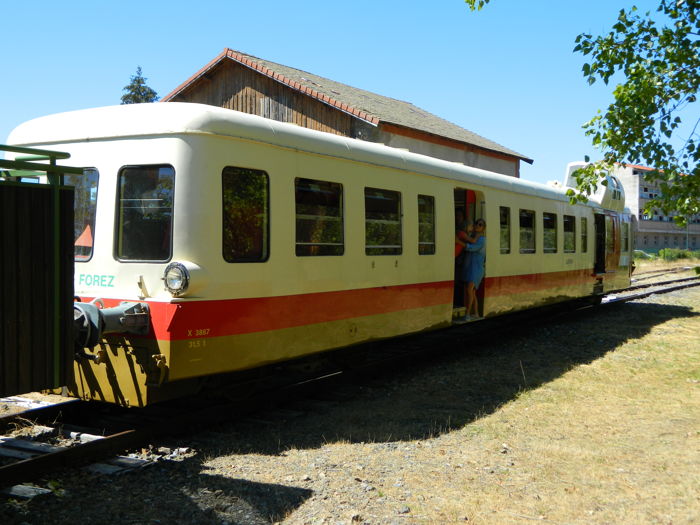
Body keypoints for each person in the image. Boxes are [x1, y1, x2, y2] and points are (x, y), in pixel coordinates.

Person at [461, 219, 486, 320]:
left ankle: (467, 314)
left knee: (469, 289)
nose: (477, 226)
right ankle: (476, 313)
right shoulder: (473, 236)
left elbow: (471, 248)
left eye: (480, 225)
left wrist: (458, 241)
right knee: (473, 292)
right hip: (471, 267)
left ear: (483, 228)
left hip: (477, 269)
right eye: (476, 223)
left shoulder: (482, 239)